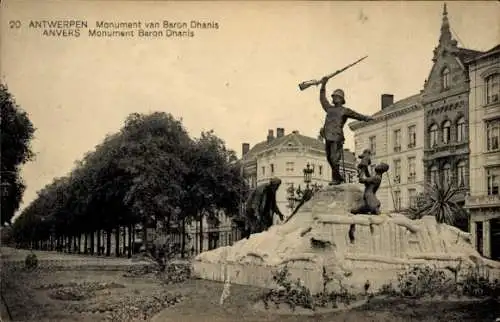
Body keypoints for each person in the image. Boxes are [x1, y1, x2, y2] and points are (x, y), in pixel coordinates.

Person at [319, 77, 374, 185]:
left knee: (334, 159)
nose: (334, 98)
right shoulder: (329, 108)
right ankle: (338, 178)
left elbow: (356, 115)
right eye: (333, 96)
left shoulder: (344, 110)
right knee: (329, 159)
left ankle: (336, 179)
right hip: (327, 136)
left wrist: (366, 118)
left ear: (341, 99)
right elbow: (322, 99)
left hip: (336, 137)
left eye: (336, 97)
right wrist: (323, 85)